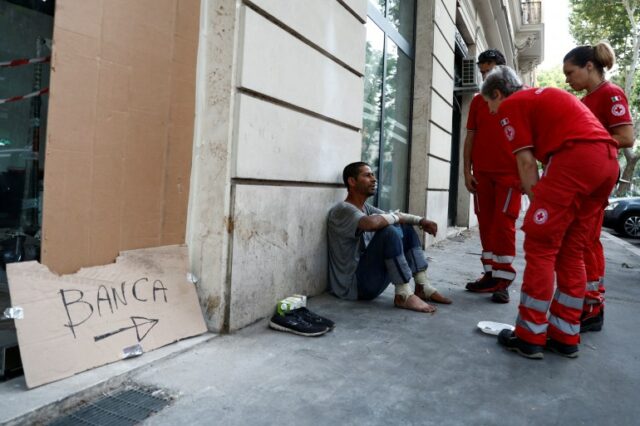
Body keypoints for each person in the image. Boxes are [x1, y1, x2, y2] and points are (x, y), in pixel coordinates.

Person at [481, 66, 619, 359]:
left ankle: (529, 335)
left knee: (541, 244)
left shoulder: (513, 105)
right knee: (571, 249)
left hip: (576, 158)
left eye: (490, 104)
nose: (493, 112)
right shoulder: (545, 97)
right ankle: (565, 335)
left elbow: (527, 164)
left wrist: (539, 206)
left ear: (497, 94)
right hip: (606, 163)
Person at [563, 42, 635, 333]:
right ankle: (585, 301)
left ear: (589, 66)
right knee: (580, 239)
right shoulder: (586, 99)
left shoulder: (611, 93)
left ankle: (592, 306)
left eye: (570, 72)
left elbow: (627, 137)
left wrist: (586, 140)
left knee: (586, 240)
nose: (567, 79)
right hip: (582, 178)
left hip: (596, 178)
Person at [327, 162, 451, 313]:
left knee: (403, 226)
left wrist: (421, 221)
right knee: (389, 231)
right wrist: (396, 217)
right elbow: (370, 223)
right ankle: (404, 294)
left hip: (371, 280)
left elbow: (395, 217)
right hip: (354, 286)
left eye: (373, 175)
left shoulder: (366, 208)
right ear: (352, 181)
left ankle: (422, 285)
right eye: (367, 175)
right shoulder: (342, 210)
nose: (374, 179)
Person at [463, 49, 521, 304]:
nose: (484, 75)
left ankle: (503, 281)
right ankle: (490, 274)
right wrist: (466, 171)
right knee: (485, 225)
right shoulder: (478, 101)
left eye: (489, 71)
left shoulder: (519, 97)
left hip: (510, 175)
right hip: (482, 175)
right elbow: (470, 137)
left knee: (503, 225)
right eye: (482, 70)